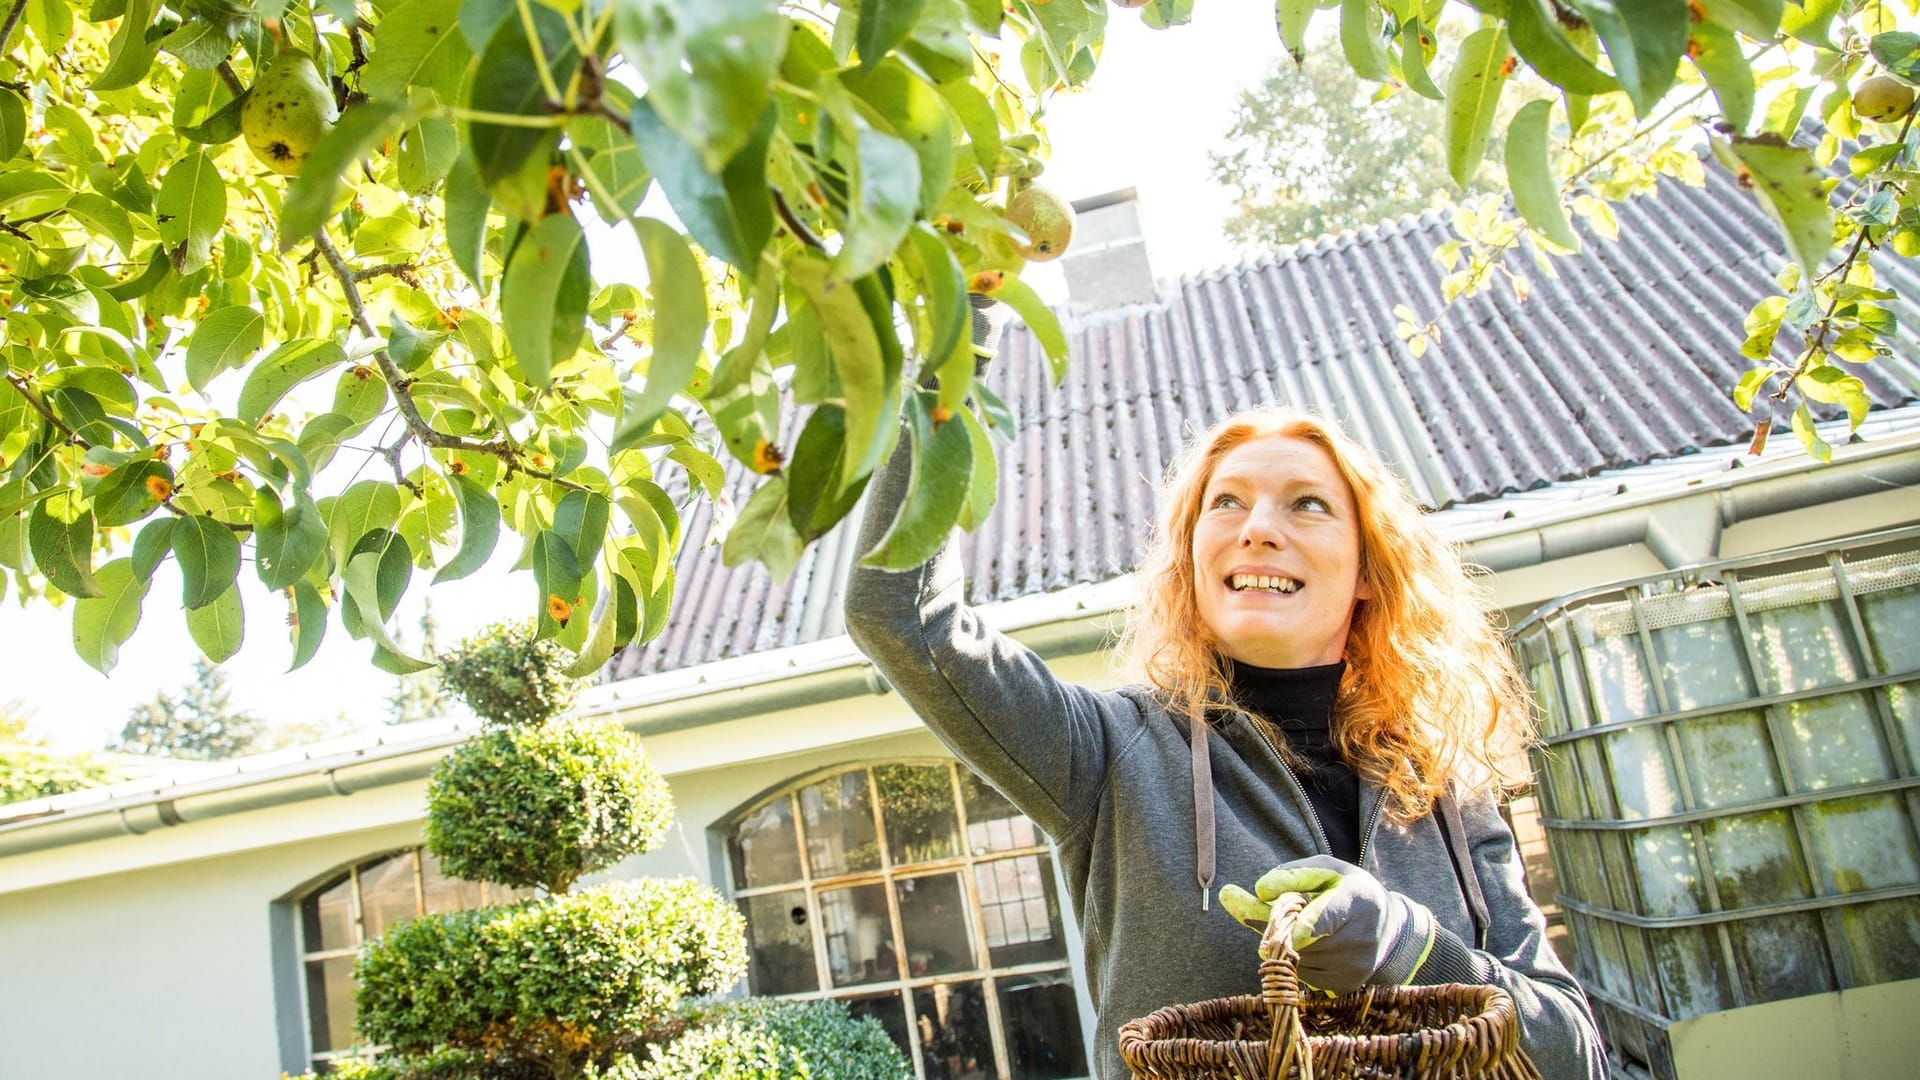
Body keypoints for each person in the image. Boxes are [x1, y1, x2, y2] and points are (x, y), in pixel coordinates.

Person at [844, 400, 1607, 1080]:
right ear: (1193, 560)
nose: (1258, 528)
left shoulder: (1441, 785)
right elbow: (901, 615)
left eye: (1306, 505)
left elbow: (1576, 1053)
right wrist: (957, 340)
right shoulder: (1109, 754)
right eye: (1227, 503)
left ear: (1370, 571)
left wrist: (1413, 951)